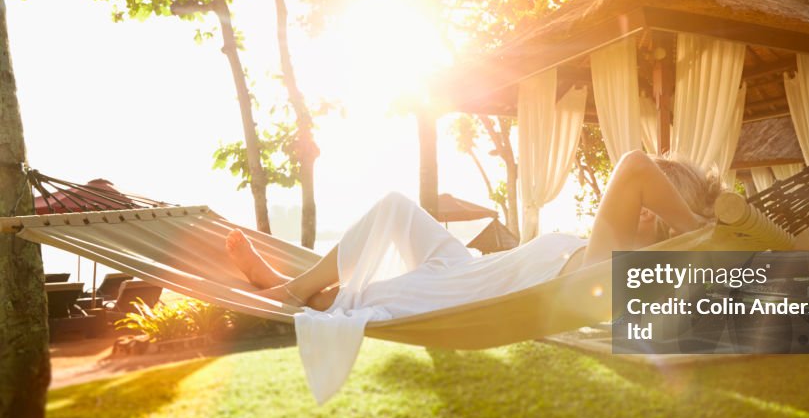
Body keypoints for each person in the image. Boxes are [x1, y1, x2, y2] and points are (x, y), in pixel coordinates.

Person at [226, 150, 722, 315]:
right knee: (394, 207)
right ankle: (293, 280)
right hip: (469, 269)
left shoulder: (612, 270)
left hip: (453, 296)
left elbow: (634, 166)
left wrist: (698, 228)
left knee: (350, 302)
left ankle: (287, 289)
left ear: (654, 215)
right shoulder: (602, 251)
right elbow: (639, 172)